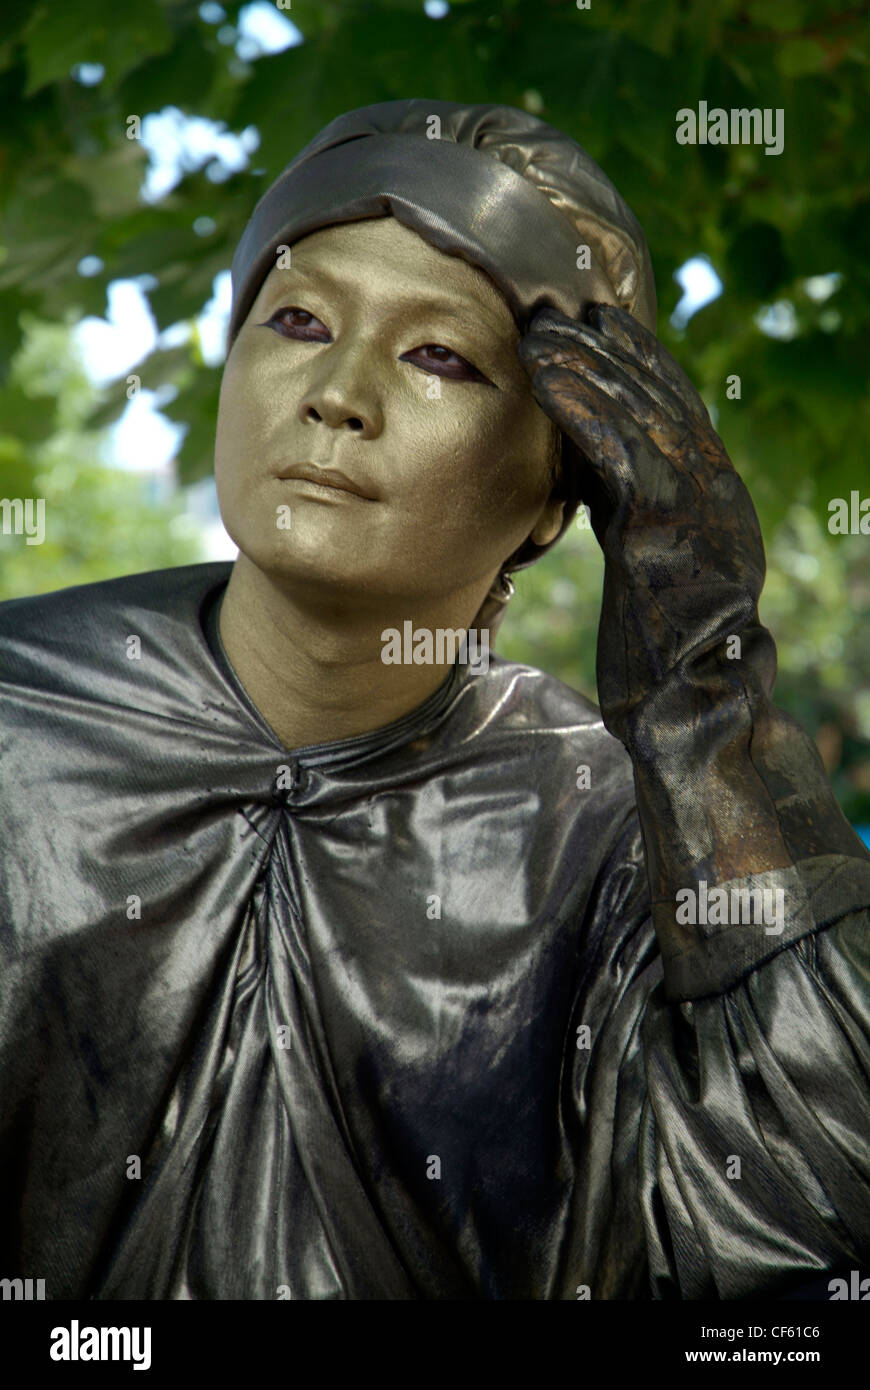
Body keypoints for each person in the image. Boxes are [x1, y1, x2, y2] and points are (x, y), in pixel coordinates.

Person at [1, 99, 868, 1301]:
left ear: (563, 491)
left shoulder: (613, 833)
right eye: (297, 320)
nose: (338, 392)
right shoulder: (13, 715)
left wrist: (703, 682)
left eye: (438, 356)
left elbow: (807, 1231)